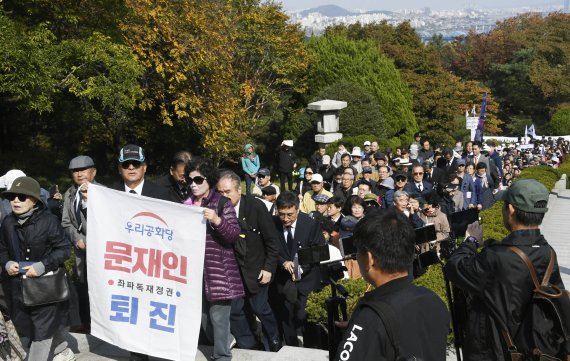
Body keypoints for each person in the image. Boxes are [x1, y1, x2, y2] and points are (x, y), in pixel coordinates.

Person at [444, 179, 564, 360]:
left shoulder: (497, 256)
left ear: (512, 210)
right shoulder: (548, 253)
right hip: (535, 350)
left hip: (497, 351)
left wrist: (471, 242)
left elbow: (454, 268)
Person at [334, 209, 449, 360]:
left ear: (369, 258)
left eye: (357, 253)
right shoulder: (433, 300)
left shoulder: (372, 317)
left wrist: (365, 326)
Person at [0, 177, 74, 361]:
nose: (16, 201)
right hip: (17, 287)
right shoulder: (8, 222)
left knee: (41, 331)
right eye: (12, 197)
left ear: (34, 200)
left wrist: (42, 266)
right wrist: (7, 263)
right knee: (29, 326)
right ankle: (62, 350)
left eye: (22, 197)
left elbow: (64, 249)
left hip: (45, 287)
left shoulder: (49, 221)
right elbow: (1, 249)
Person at [110, 144, 168, 360]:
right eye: (126, 164)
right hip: (123, 265)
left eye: (136, 164)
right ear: (119, 168)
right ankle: (137, 354)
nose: (131, 168)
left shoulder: (162, 194)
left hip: (154, 265)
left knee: (151, 310)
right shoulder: (109, 194)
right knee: (131, 312)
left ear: (145, 167)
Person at [184, 158, 244, 361]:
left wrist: (217, 220)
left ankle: (222, 356)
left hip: (218, 271)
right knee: (204, 320)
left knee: (218, 318)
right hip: (192, 272)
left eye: (198, 179)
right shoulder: (185, 204)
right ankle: (227, 339)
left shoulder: (221, 203)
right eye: (190, 180)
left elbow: (234, 235)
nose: (193, 184)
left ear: (208, 179)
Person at [216, 172, 281, 352]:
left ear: (239, 189)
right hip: (232, 272)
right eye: (219, 192)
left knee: (260, 308)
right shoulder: (216, 210)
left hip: (256, 269)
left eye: (227, 191)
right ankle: (249, 344)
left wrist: (268, 268)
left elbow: (272, 241)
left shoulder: (255, 207)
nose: (223, 196)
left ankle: (273, 340)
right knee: (235, 311)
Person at [269, 192, 324, 346]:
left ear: (298, 210)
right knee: (286, 317)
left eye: (290, 214)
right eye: (281, 214)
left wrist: (299, 267)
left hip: (306, 280)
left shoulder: (310, 224)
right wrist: (282, 262)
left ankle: (312, 349)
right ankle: (291, 347)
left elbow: (317, 251)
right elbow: (269, 248)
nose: (285, 219)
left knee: (307, 318)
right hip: (283, 281)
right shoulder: (272, 223)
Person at [61, 155, 100, 333]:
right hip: (80, 250)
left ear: (93, 172)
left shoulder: (104, 193)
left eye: (83, 170)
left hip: (101, 251)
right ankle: (86, 322)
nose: (79, 174)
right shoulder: (68, 194)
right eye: (75, 171)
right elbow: (66, 222)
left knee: (100, 287)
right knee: (83, 285)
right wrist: (77, 238)